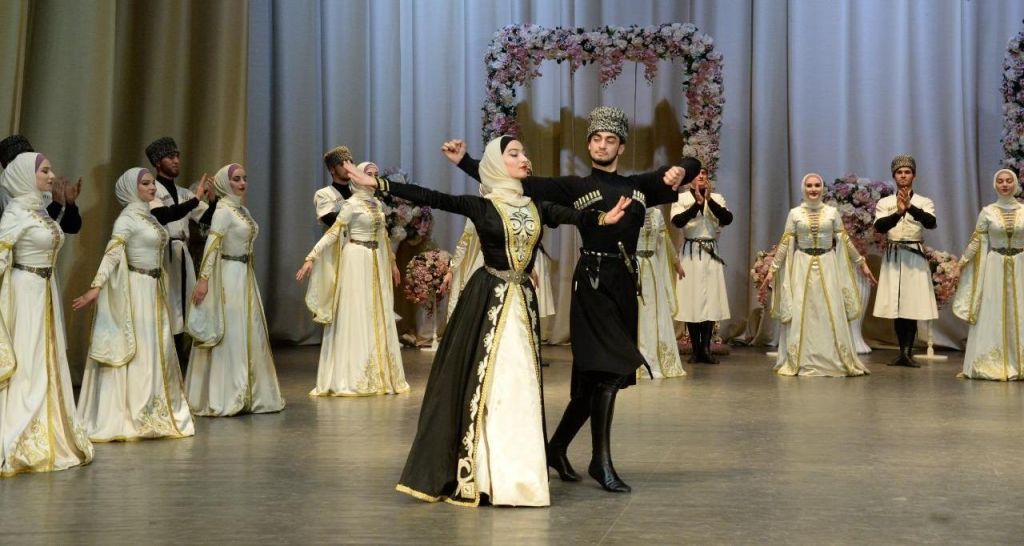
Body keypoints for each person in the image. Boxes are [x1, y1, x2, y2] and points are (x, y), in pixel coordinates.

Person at [348, 136, 631, 506]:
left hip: (522, 304)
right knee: (494, 381)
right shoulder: (482, 206)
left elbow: (573, 215)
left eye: (524, 152)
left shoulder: (536, 205)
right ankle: (485, 472)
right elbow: (433, 197)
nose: (524, 158)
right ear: (498, 164)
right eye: (514, 154)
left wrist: (601, 218)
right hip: (490, 299)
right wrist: (380, 184)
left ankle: (518, 476)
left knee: (521, 382)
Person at [445, 106, 699, 493]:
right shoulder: (574, 187)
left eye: (609, 140)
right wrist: (465, 161)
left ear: (621, 147)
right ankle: (601, 461)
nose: (602, 145)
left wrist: (682, 167)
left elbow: (693, 167)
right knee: (609, 371)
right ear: (589, 145)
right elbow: (506, 179)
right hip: (591, 284)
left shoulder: (640, 186)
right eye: (596, 139)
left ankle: (556, 449)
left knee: (589, 384)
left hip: (624, 285)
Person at [72, 168, 195, 441]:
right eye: (146, 184)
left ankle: (152, 407)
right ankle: (133, 411)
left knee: (156, 348)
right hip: (137, 290)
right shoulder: (127, 218)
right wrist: (96, 286)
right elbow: (113, 253)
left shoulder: (148, 216)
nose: (153, 188)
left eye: (152, 183)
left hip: (154, 289)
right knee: (139, 349)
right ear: (131, 188)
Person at [0, 152, 93, 477]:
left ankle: (50, 427)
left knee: (46, 358)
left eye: (50, 170)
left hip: (45, 291)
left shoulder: (37, 211)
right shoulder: (15, 212)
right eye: (45, 171)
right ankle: (21, 430)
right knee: (29, 360)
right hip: (25, 293)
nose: (51, 176)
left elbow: (63, 230)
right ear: (26, 175)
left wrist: (65, 204)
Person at [297, 161, 408, 397]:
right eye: (369, 174)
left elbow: (383, 236)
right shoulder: (352, 204)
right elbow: (333, 232)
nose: (373, 178)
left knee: (376, 313)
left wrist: (392, 262)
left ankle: (379, 374)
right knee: (358, 312)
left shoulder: (376, 204)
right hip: (356, 259)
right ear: (357, 176)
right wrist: (311, 257)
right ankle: (354, 375)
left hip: (375, 260)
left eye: (376, 174)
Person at [185, 163, 285, 416]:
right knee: (230, 331)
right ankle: (226, 393)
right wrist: (204, 279)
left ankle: (253, 393)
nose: (242, 183)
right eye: (236, 179)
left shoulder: (242, 210)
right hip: (228, 276)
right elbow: (212, 246)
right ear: (223, 183)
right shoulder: (222, 211)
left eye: (244, 178)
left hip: (244, 275)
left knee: (248, 330)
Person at [766, 173, 875, 377]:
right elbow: (786, 242)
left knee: (829, 309)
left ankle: (832, 357)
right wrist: (773, 269)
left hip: (827, 264)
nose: (813, 189)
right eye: (809, 185)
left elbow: (844, 240)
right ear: (803, 188)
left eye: (817, 185)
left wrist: (861, 263)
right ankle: (802, 359)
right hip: (802, 265)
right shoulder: (794, 213)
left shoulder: (832, 212)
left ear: (822, 188)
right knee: (803, 310)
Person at [144, 137, 215, 371]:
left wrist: (212, 201)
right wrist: (196, 199)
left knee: (184, 307)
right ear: (158, 162)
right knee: (168, 306)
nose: (176, 161)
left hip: (182, 254)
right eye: (170, 157)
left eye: (177, 156)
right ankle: (164, 363)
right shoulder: (152, 190)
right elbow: (165, 215)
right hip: (163, 255)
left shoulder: (184, 193)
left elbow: (206, 218)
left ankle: (182, 362)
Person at [953, 169, 1024, 380]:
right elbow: (977, 241)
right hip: (995, 267)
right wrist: (961, 263)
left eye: (1009, 181)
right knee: (994, 311)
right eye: (1000, 181)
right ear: (995, 185)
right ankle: (994, 362)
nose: (1005, 184)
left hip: (1021, 265)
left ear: (1015, 184)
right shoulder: (988, 212)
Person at [872, 154, 938, 367]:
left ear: (914, 176)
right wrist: (898, 213)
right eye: (899, 172)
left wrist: (910, 207)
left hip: (914, 255)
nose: (903, 175)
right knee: (896, 304)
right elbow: (880, 227)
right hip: (894, 255)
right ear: (894, 176)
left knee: (912, 302)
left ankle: (908, 352)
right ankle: (902, 352)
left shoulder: (924, 201)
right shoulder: (885, 202)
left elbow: (931, 223)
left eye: (907, 172)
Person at [670, 166, 732, 364]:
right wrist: (697, 205)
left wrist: (708, 200)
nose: (701, 176)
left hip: (710, 252)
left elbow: (727, 218)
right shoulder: (681, 198)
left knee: (711, 300)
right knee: (692, 299)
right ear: (690, 178)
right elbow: (678, 221)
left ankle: (706, 348)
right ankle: (696, 349)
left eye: (704, 173)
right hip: (691, 252)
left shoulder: (717, 198)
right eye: (697, 174)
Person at [636, 207, 686, 379]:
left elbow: (665, 242)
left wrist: (676, 263)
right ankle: (636, 360)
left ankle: (653, 360)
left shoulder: (657, 214)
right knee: (637, 313)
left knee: (652, 313)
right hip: (634, 266)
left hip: (652, 267)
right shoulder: (630, 211)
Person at [0, 134, 83, 234]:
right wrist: (56, 203)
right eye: (21, 159)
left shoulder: (42, 182)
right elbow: (31, 232)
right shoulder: (5, 189)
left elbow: (72, 227)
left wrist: (70, 203)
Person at [315, 145, 355, 228]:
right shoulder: (323, 194)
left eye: (350, 163)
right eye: (342, 164)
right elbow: (330, 220)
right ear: (332, 170)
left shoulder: (358, 190)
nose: (348, 168)